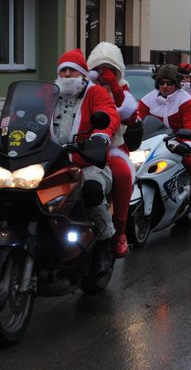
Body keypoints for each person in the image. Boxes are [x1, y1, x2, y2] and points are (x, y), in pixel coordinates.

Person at [53, 48, 121, 271]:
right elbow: (24, 114)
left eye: (73, 70)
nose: (67, 75)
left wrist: (100, 137)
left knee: (92, 190)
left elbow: (109, 114)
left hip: (88, 161)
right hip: (51, 163)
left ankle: (104, 244)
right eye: (63, 71)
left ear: (83, 74)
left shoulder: (95, 93)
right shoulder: (49, 94)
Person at [87, 41, 138, 258]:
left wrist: (115, 88)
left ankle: (120, 230)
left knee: (124, 174)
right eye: (98, 69)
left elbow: (130, 116)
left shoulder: (122, 89)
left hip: (113, 146)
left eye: (109, 69)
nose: (103, 74)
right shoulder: (84, 87)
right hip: (82, 146)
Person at [137, 64, 191, 207]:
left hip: (179, 140)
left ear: (177, 83)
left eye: (170, 83)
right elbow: (137, 120)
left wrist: (188, 144)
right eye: (162, 83)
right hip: (154, 141)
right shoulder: (147, 100)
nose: (165, 86)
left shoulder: (186, 100)